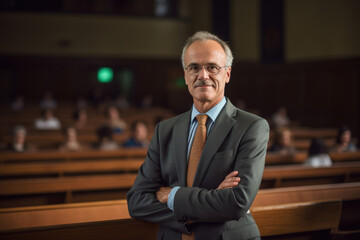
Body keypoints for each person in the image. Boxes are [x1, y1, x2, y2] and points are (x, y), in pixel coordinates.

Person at [127, 31, 269, 240]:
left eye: (212, 67)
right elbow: (137, 202)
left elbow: (237, 202)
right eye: (194, 68)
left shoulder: (251, 127)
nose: (203, 76)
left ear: (227, 74)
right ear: (185, 76)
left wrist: (173, 195)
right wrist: (197, 211)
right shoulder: (164, 130)